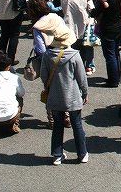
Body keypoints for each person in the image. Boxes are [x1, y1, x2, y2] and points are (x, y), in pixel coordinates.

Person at [40, 23, 88, 165]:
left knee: (58, 126)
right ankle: (82, 153)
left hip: (55, 95)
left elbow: (44, 75)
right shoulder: (74, 55)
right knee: (77, 125)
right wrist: (84, 93)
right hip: (73, 96)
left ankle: (57, 155)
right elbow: (82, 78)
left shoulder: (47, 55)